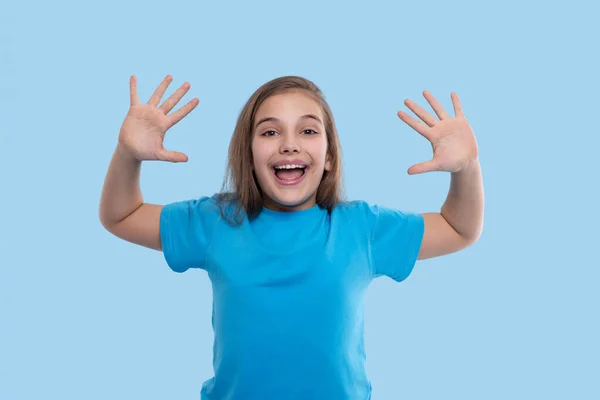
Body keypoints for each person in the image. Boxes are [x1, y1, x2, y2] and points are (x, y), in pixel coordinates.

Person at [99, 74, 484, 399]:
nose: (289, 143)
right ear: (248, 156)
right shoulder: (215, 221)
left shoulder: (361, 227)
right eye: (270, 131)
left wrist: (466, 168)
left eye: (308, 130)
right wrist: (127, 154)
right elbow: (122, 215)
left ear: (329, 155)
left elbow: (458, 228)